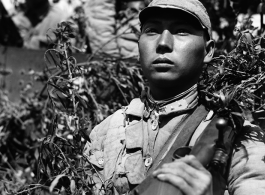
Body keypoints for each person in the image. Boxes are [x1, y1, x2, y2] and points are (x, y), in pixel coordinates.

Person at [83, 0, 265, 194]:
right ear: (138, 46)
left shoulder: (236, 136)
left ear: (208, 50)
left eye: (181, 31)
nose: (163, 43)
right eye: (152, 31)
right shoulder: (106, 132)